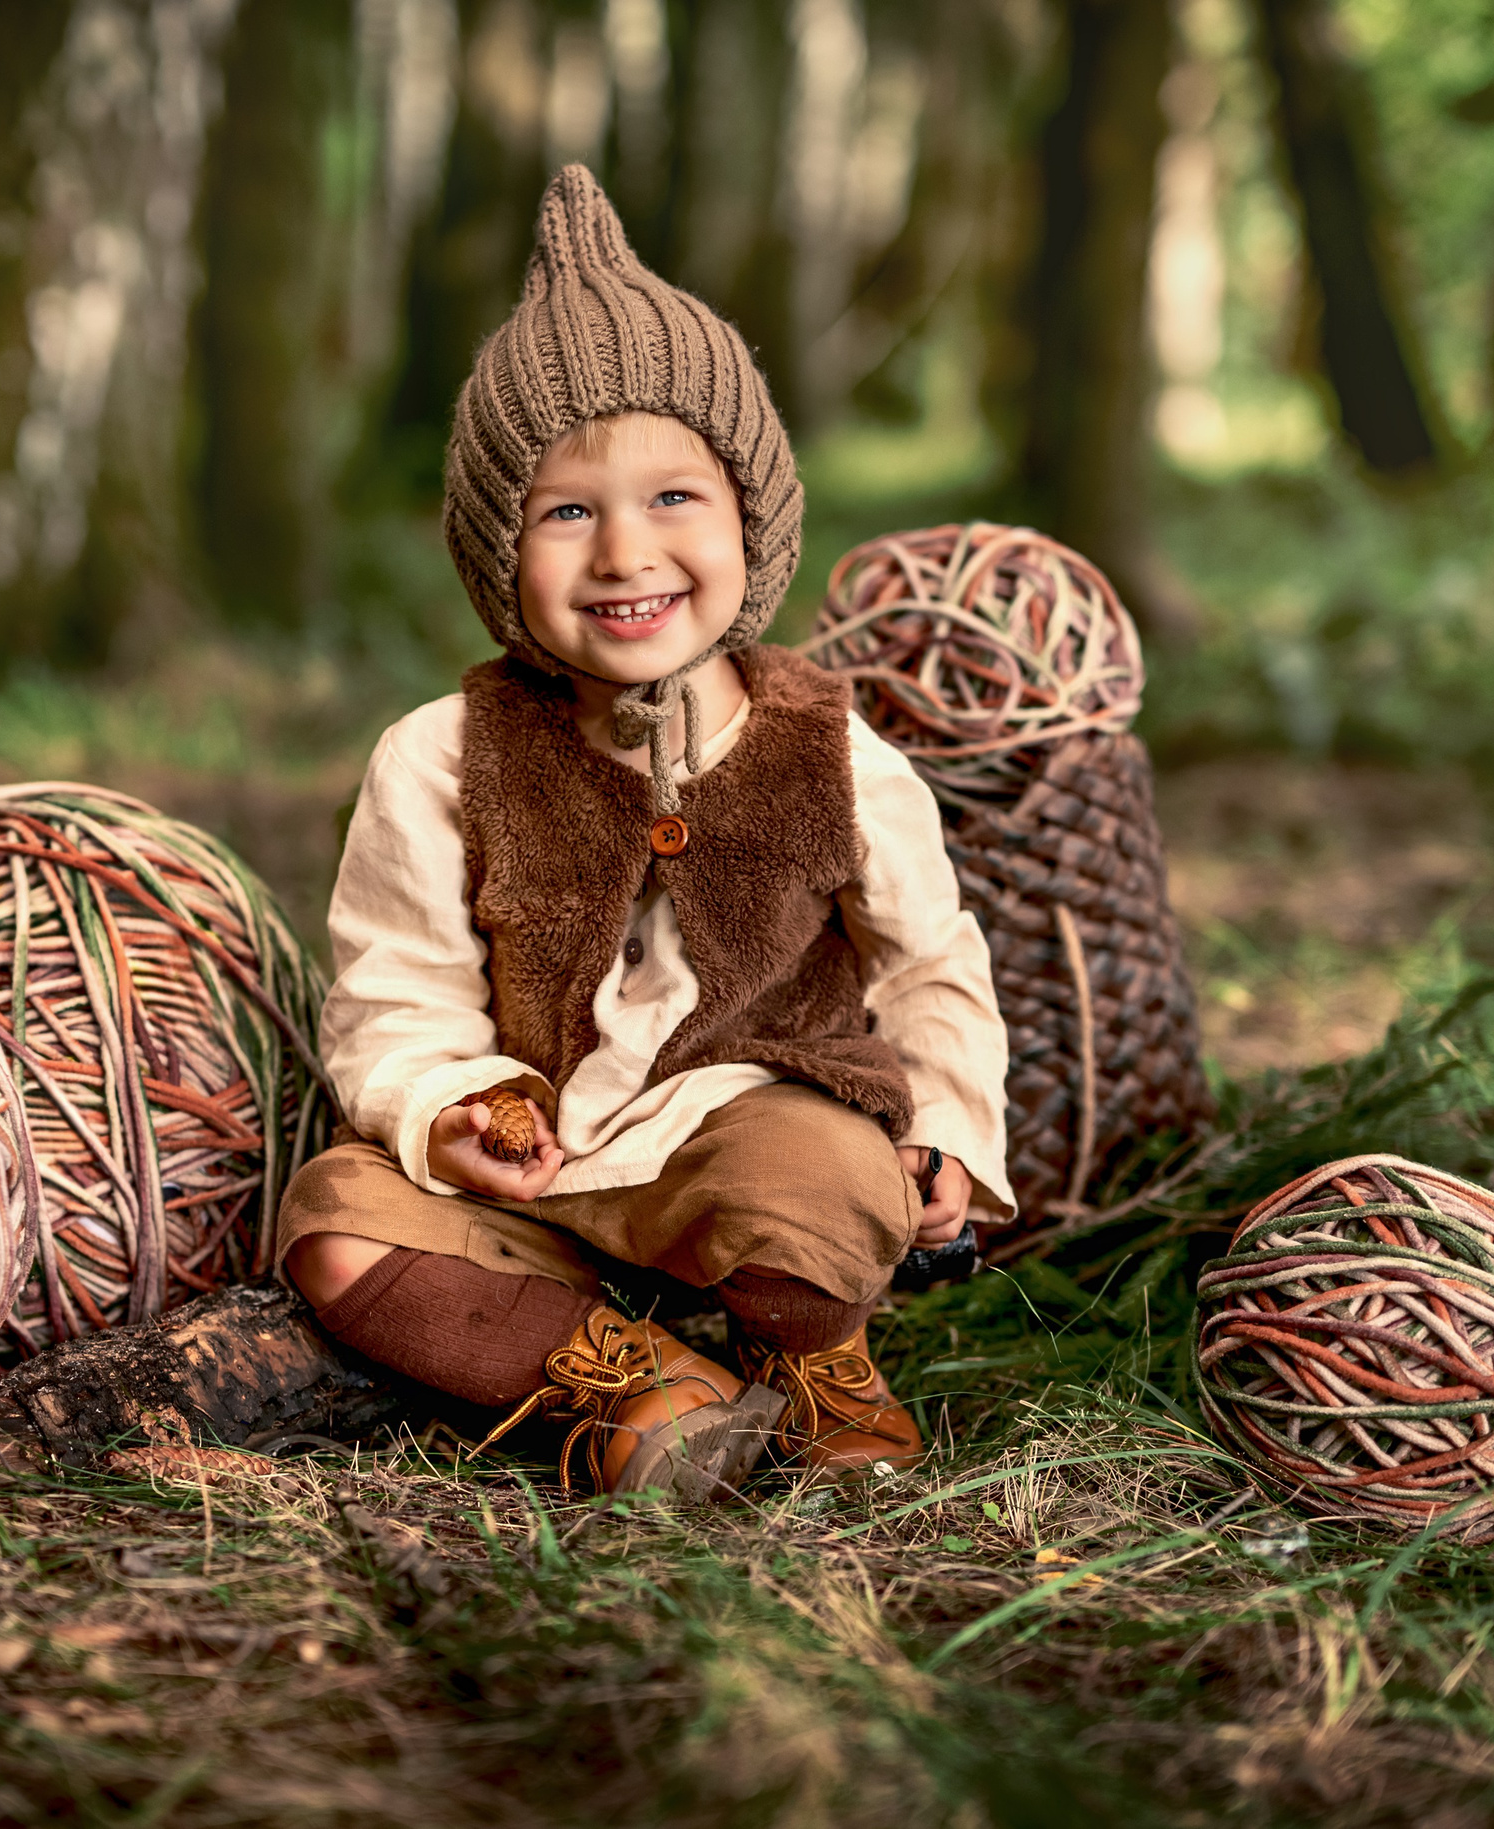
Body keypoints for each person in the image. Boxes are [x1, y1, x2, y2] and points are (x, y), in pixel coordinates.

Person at [277, 164, 1012, 1501]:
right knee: (333, 1228)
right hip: (534, 1182)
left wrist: (951, 1127)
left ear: (751, 516)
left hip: (741, 1145)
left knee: (831, 1179)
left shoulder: (832, 752)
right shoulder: (438, 759)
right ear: (500, 554)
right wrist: (449, 1109)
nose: (625, 551)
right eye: (567, 510)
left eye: (676, 497)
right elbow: (393, 998)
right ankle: (634, 1379)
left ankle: (813, 1354)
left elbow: (928, 965)